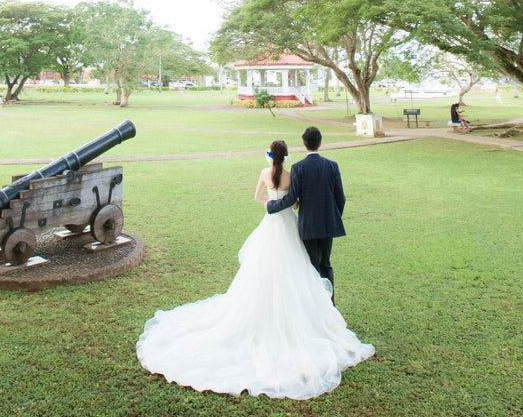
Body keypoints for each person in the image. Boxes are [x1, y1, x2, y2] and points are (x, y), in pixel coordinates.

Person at [136, 139, 374, 399]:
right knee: (301, 269)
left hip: (270, 224)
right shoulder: (291, 174)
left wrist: (268, 204)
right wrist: (288, 205)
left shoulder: (265, 173)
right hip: (288, 225)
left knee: (263, 270)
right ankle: (314, 310)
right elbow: (294, 202)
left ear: (270, 155)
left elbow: (258, 196)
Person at [266, 126, 345, 299]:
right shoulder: (332, 166)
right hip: (327, 224)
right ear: (320, 143)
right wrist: (333, 217)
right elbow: (341, 198)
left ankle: (315, 304)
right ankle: (329, 305)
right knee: (326, 265)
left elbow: (291, 198)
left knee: (312, 265)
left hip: (308, 225)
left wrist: (272, 206)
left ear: (304, 144)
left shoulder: (298, 168)